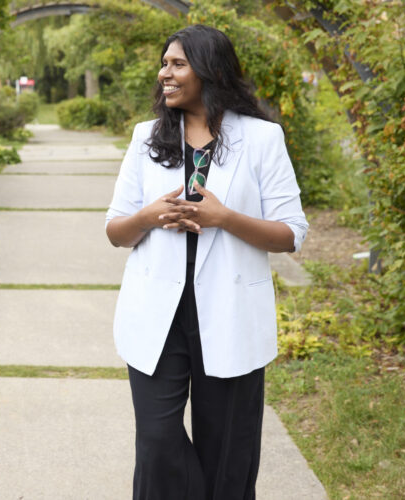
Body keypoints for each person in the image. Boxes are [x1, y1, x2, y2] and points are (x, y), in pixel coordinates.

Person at [105, 25, 308, 499]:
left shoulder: (262, 138)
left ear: (211, 70)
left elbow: (291, 234)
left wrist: (226, 218)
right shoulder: (145, 138)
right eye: (164, 64)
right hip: (158, 315)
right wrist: (150, 216)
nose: (164, 75)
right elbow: (116, 231)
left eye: (177, 64)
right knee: (156, 442)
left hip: (231, 312)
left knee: (228, 453)